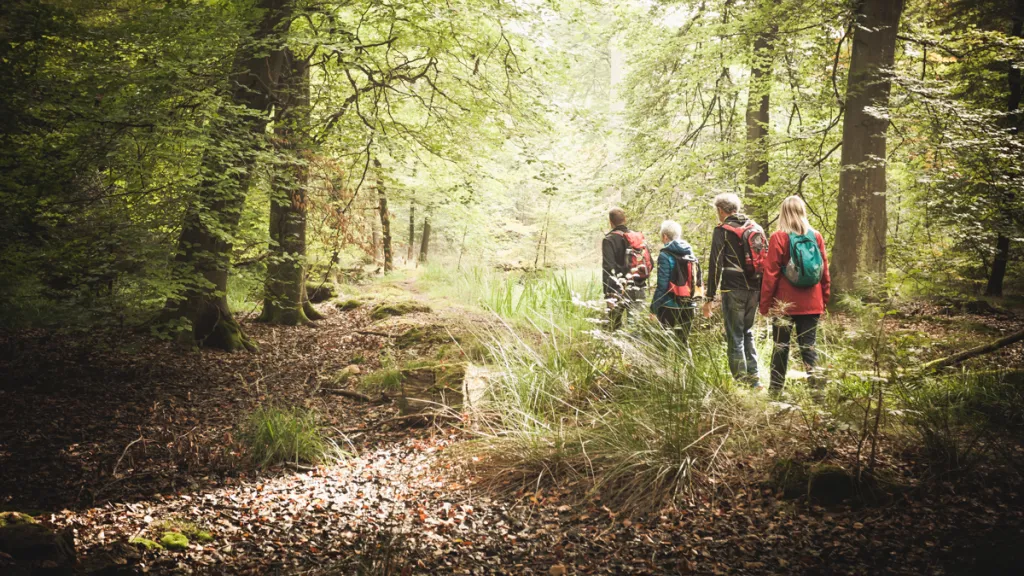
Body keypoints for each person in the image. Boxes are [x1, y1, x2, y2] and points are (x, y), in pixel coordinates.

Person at [759, 195, 831, 394]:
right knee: (809, 348)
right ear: (802, 211)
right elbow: (824, 271)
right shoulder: (816, 236)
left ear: (783, 213)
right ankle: (817, 393)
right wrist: (824, 300)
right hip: (812, 303)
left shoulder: (779, 237)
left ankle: (775, 391)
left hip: (784, 304)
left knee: (780, 347)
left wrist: (765, 304)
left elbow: (770, 274)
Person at [702, 193, 765, 387]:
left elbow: (715, 264)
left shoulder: (723, 231)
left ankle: (741, 382)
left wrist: (709, 297)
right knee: (747, 332)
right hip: (755, 288)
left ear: (721, 210)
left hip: (733, 289)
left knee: (735, 335)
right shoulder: (756, 228)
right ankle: (754, 379)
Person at [649, 220, 700, 343]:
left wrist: (654, 309)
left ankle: (663, 363)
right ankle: (687, 363)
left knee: (663, 344)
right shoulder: (690, 252)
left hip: (669, 306)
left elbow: (662, 286)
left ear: (665, 236)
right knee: (683, 343)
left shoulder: (665, 255)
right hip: (689, 304)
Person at [602, 207, 651, 330]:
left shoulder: (609, 240)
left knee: (614, 326)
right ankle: (635, 347)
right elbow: (650, 263)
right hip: (638, 285)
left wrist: (609, 294)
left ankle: (617, 348)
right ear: (625, 220)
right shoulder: (637, 238)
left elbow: (609, 268)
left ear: (611, 222)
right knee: (635, 326)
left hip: (618, 288)